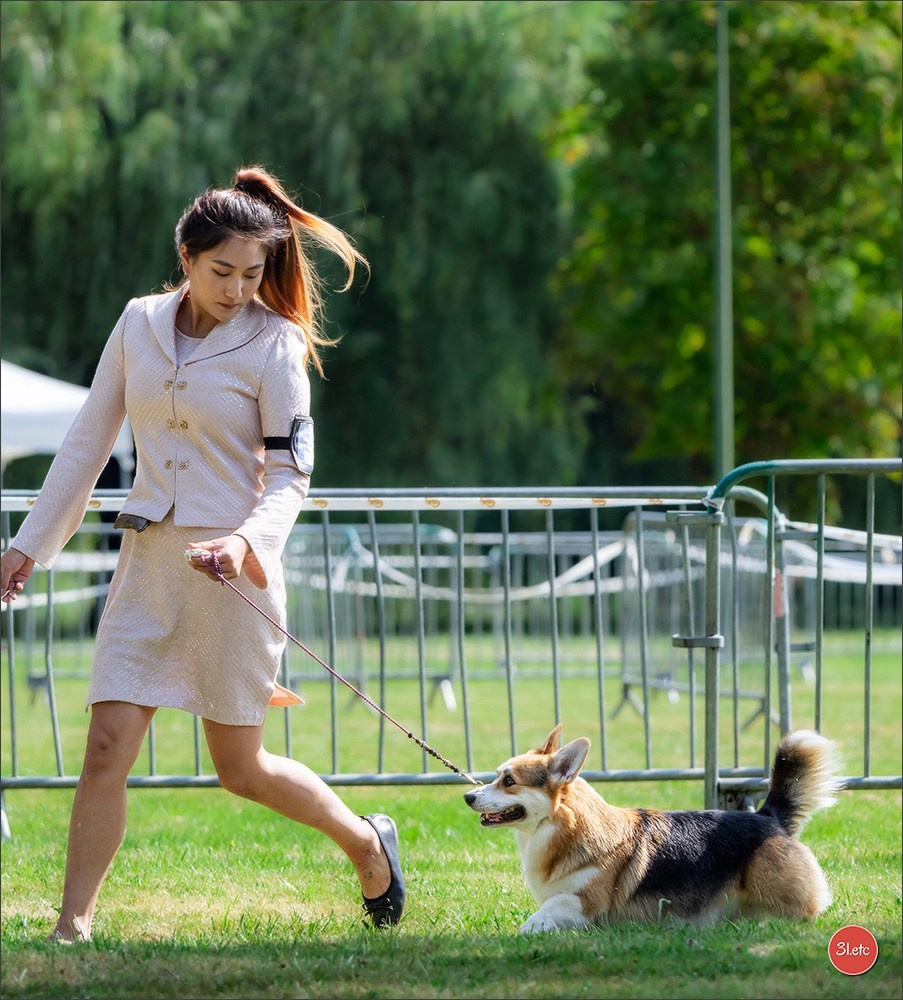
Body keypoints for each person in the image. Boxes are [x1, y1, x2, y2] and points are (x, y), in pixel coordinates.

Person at [0, 166, 405, 941]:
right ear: (186, 257)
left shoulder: (277, 344)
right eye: (222, 271)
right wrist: (27, 548)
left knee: (240, 770)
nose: (237, 288)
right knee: (106, 746)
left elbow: (292, 475)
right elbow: (87, 443)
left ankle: (365, 841)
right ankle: (72, 923)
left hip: (231, 577)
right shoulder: (137, 323)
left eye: (253, 274)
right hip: (148, 568)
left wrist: (246, 543)